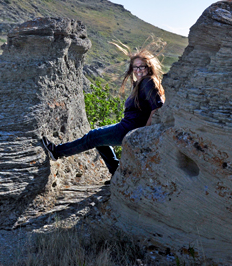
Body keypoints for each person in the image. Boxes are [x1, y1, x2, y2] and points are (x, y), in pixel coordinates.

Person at [41, 43, 165, 176]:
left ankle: (57, 152)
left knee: (93, 137)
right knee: (100, 139)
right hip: (128, 126)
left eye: (142, 67)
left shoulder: (148, 82)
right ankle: (116, 171)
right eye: (135, 67)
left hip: (130, 129)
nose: (138, 70)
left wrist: (144, 132)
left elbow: (157, 107)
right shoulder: (141, 83)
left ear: (149, 67)